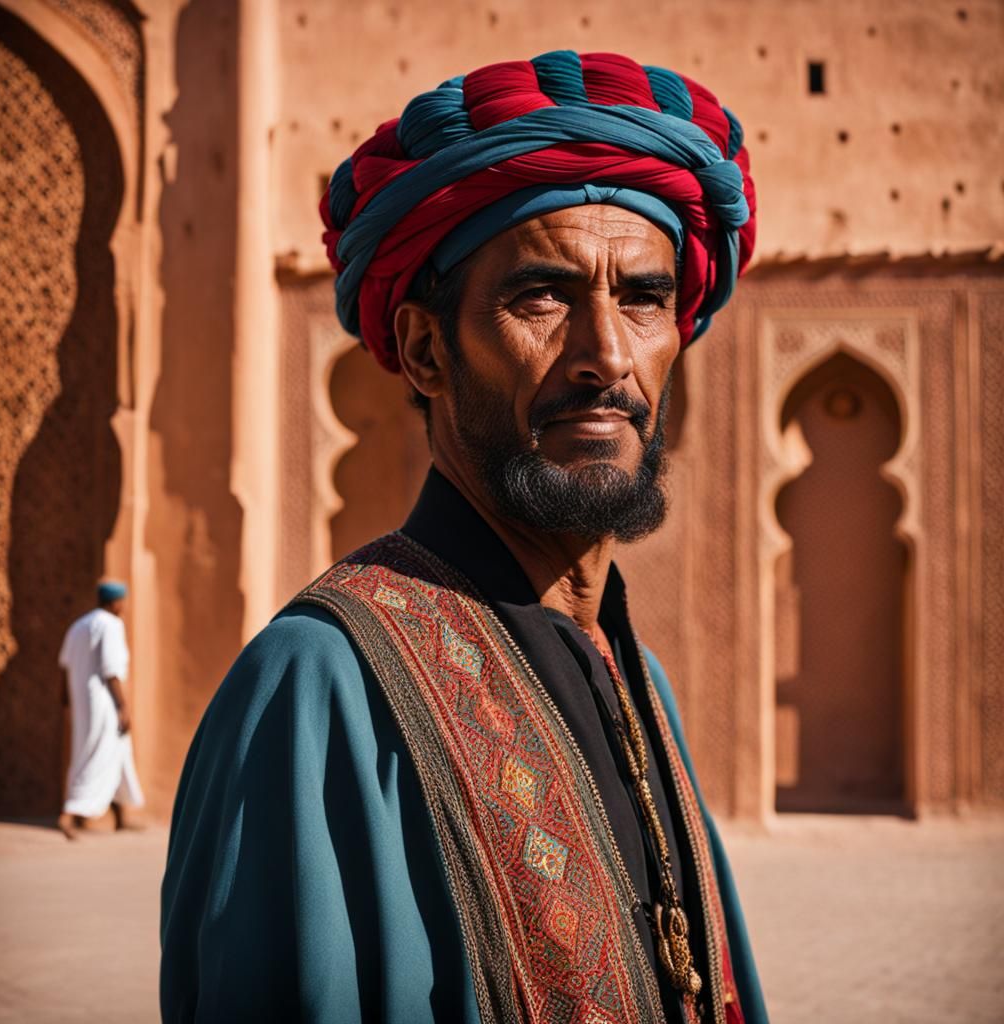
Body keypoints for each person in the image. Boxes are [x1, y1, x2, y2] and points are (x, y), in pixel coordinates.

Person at [161, 51, 765, 1023]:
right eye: (542, 297)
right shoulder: (314, 689)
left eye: (643, 300)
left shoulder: (637, 681)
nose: (606, 355)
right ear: (424, 348)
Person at [58, 580, 145, 838]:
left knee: (116, 754)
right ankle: (68, 815)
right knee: (96, 756)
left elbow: (64, 666)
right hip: (104, 704)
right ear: (115, 602)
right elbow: (111, 670)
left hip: (82, 704)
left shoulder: (78, 626)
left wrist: (64, 698)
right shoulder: (111, 625)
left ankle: (120, 817)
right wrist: (123, 706)